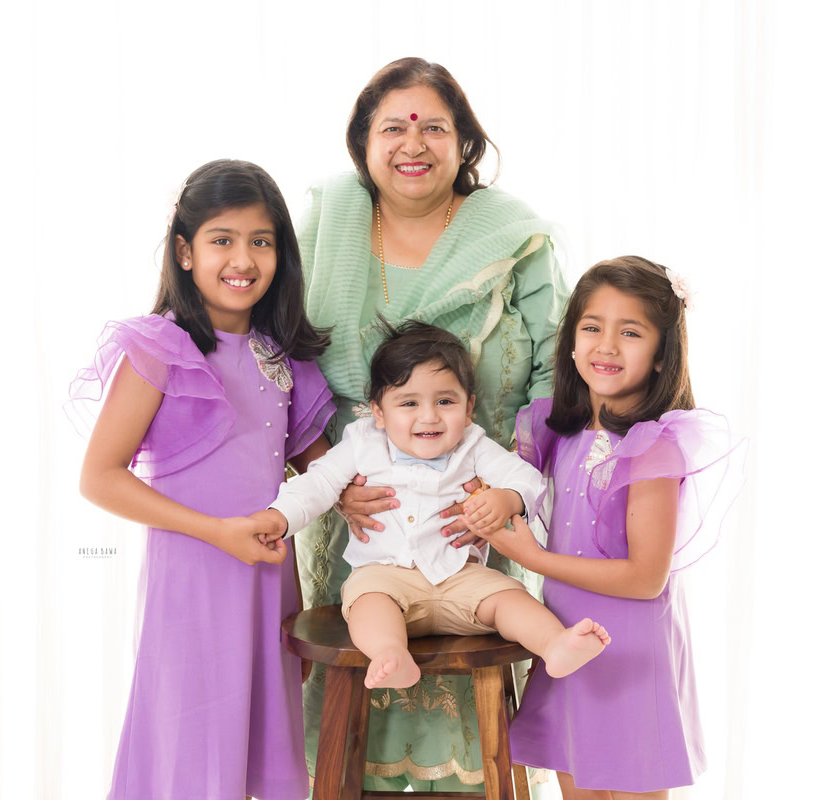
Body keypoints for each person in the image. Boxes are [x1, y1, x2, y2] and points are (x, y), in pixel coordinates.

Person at [296, 56, 569, 791]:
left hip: (473, 504)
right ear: (363, 141)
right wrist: (330, 473)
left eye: (434, 127)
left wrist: (505, 491)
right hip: (362, 506)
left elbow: (556, 367)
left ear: (464, 143)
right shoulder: (325, 226)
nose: (413, 143)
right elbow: (285, 358)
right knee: (369, 635)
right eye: (393, 126)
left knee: (480, 621)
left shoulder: (514, 235)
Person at [68, 159, 335, 799]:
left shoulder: (283, 360)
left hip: (268, 584)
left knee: (264, 757)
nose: (243, 258)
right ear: (185, 251)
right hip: (190, 584)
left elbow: (326, 474)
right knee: (190, 755)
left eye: (261, 241)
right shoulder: (159, 348)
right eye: (223, 239)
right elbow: (99, 478)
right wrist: (215, 532)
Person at [477, 256, 743, 799]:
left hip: (631, 655)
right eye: (592, 327)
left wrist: (532, 558)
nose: (606, 346)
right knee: (577, 785)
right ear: (571, 340)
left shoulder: (652, 447)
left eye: (631, 332)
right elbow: (507, 479)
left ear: (662, 351)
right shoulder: (556, 428)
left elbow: (646, 578)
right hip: (571, 643)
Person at [251, 322, 610, 689]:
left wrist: (508, 498)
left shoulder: (473, 445)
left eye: (445, 401)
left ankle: (554, 644)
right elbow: (318, 482)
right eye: (409, 403)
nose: (429, 416)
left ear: (469, 407)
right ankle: (391, 653)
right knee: (366, 602)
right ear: (378, 412)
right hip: (387, 576)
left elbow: (529, 481)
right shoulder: (363, 443)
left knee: (509, 598)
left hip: (461, 577)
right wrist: (278, 519)